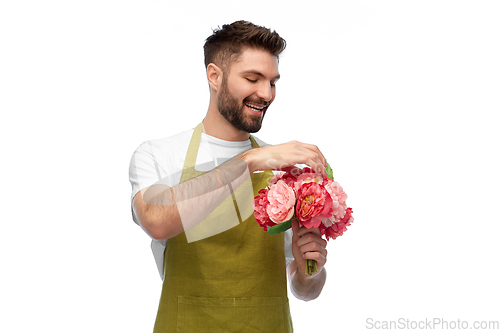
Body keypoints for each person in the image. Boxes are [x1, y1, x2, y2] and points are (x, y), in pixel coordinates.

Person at [129, 20, 329, 332]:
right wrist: (248, 161)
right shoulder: (159, 154)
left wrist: (309, 273)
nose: (266, 93)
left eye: (273, 82)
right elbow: (156, 220)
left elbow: (304, 289)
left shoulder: (283, 168)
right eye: (253, 78)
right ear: (214, 76)